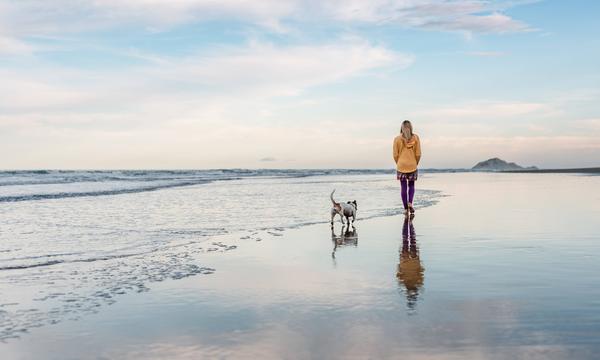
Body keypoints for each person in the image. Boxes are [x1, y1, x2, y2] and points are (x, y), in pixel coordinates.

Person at [393, 120, 421, 215]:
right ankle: (410, 203)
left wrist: (399, 163)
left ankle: (405, 208)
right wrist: (415, 163)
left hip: (401, 165)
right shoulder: (416, 138)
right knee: (411, 185)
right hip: (412, 165)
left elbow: (395, 155)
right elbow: (418, 154)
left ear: (401, 128)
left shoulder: (397, 139)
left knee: (403, 187)